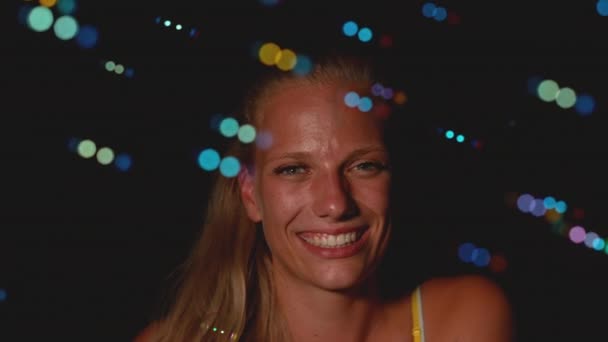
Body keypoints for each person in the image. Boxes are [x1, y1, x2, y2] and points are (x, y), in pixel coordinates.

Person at [136, 55, 513, 341]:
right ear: (250, 194)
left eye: (364, 166)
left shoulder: (463, 319)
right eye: (293, 170)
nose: (335, 203)